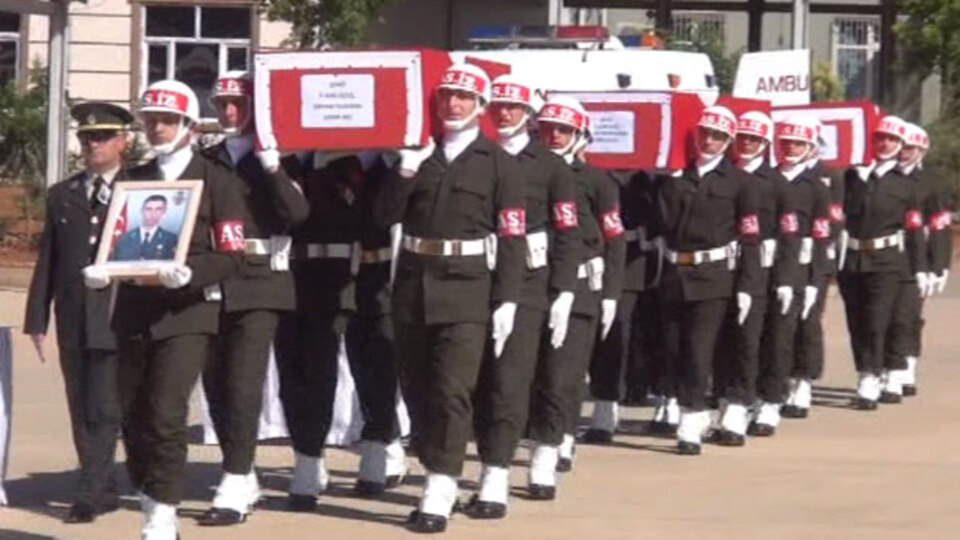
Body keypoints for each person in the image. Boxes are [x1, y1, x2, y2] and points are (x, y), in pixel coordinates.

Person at [82, 79, 246, 540]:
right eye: (151, 119)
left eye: (167, 120)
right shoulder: (132, 180)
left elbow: (233, 255)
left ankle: (163, 515)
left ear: (190, 126)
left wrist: (192, 272)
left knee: (166, 413)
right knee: (132, 415)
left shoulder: (219, 181)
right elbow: (113, 240)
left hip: (188, 314)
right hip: (133, 310)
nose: (157, 128)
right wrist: (102, 269)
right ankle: (151, 496)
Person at [373, 63, 526, 533]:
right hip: (415, 282)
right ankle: (438, 464)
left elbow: (513, 235)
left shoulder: (499, 163)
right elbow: (383, 216)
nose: (453, 104)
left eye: (463, 97)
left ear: (481, 106)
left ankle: (439, 487)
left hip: (467, 286)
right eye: (447, 96)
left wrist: (507, 299)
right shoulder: (421, 154)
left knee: (450, 390)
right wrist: (405, 169)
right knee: (417, 389)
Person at [197, 71, 309, 526]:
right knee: (215, 384)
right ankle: (241, 469)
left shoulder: (282, 161)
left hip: (262, 280)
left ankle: (235, 478)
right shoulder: (205, 159)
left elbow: (297, 213)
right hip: (211, 279)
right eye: (221, 104)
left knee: (244, 384)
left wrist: (272, 167)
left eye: (236, 105)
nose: (227, 112)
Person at [468, 75, 580, 519]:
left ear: (529, 115)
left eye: (514, 107)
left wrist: (564, 290)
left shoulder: (551, 167)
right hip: (477, 279)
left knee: (511, 381)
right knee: (475, 381)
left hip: (531, 283)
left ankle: (495, 474)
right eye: (498, 106)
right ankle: (483, 454)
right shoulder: (477, 156)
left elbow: (568, 233)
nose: (505, 113)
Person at [23, 101, 133, 524]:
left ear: (123, 141)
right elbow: (48, 259)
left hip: (115, 314)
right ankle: (103, 488)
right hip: (73, 316)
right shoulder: (63, 195)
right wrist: (37, 317)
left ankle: (88, 492)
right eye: (86, 138)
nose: (92, 145)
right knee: (79, 405)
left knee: (105, 408)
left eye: (101, 137)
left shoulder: (136, 189)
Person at [526, 95, 625, 494]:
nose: (553, 136)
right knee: (531, 372)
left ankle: (554, 444)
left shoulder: (600, 182)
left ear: (580, 135)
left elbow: (614, 239)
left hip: (582, 288)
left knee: (563, 375)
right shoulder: (524, 172)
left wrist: (610, 295)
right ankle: (541, 434)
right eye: (547, 128)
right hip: (535, 281)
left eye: (563, 130)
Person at [652, 106, 761, 455]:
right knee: (672, 348)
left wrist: (747, 286)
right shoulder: (677, 177)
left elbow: (750, 239)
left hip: (714, 277)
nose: (709, 141)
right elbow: (660, 225)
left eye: (717, 136)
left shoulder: (740, 183)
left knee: (699, 350)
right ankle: (685, 404)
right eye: (705, 134)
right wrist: (662, 182)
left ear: (728, 141)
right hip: (674, 273)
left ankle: (692, 416)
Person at [273, 150, 363, 512]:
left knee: (319, 370)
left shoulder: (351, 162)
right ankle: (305, 451)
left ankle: (310, 458)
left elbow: (366, 214)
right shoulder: (286, 163)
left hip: (335, 274)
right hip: (287, 272)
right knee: (289, 376)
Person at [713, 111, 800, 445]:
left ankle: (755, 401)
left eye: (753, 138)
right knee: (724, 339)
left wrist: (787, 278)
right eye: (742, 137)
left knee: (758, 341)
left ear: (765, 143)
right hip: (725, 266)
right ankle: (725, 399)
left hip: (764, 270)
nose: (746, 143)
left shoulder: (778, 183)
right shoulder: (726, 175)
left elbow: (789, 235)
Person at [837, 116, 927, 410]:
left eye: (890, 140)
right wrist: (857, 182)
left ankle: (871, 377)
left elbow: (913, 228)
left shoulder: (907, 185)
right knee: (857, 321)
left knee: (877, 320)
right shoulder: (853, 177)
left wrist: (921, 268)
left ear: (900, 145)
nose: (884, 144)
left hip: (887, 261)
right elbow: (842, 213)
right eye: (880, 138)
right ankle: (865, 368)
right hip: (852, 258)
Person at [751, 115, 832, 432]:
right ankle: (755, 395)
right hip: (761, 265)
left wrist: (814, 279)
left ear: (811, 146)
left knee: (787, 334)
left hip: (798, 267)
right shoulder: (764, 179)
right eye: (786, 143)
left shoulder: (817, 186)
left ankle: (778, 395)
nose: (791, 148)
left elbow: (822, 236)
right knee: (758, 334)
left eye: (798, 143)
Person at [344, 150, 409, 497]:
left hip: (392, 276)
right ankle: (386, 438)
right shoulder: (346, 163)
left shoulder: (406, 163)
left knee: (384, 367)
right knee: (361, 365)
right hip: (355, 278)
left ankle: (381, 443)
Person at [884, 123, 950, 400]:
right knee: (885, 315)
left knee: (907, 316)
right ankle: (890, 366)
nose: (903, 153)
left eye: (910, 148)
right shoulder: (884, 176)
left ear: (921, 150)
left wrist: (939, 265)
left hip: (917, 257)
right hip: (886, 256)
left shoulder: (932, 183)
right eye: (901, 146)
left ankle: (904, 367)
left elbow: (939, 226)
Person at [786, 119, 843, 415]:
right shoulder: (779, 174)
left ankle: (804, 379)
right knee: (782, 323)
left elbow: (833, 220)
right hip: (783, 258)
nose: (792, 148)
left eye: (799, 143)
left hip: (813, 257)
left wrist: (822, 259)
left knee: (808, 321)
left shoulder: (827, 176)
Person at [111, 195, 179, 261]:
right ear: (142, 210)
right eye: (148, 209)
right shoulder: (125, 238)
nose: (153, 213)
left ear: (164, 212)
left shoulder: (170, 239)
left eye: (158, 209)